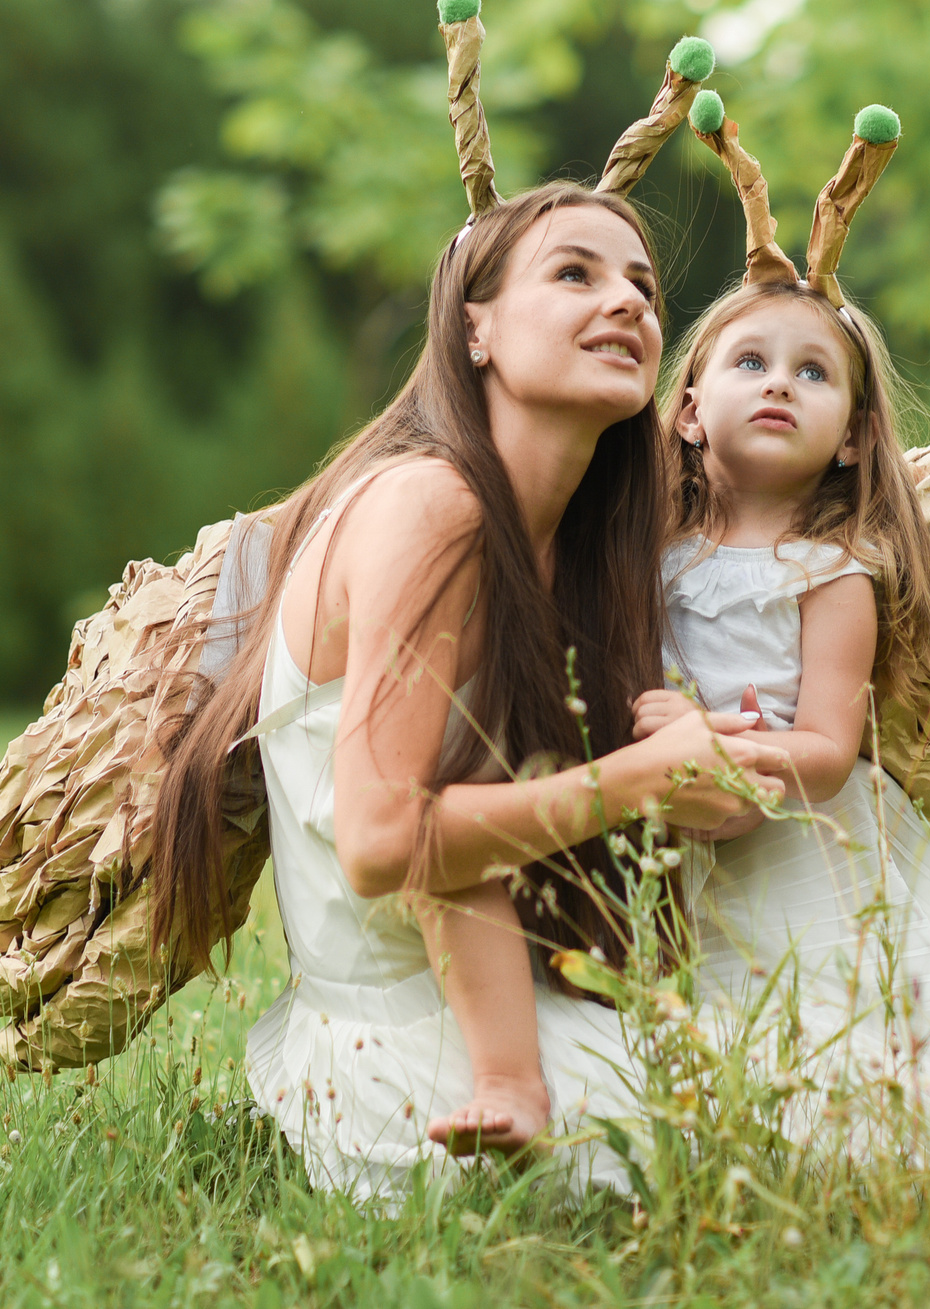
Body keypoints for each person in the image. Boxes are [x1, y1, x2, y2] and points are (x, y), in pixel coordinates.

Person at [150, 180, 791, 1204]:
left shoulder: (567, 548)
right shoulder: (432, 507)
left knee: (802, 1075)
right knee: (779, 1134)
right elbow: (380, 843)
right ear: (474, 328)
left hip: (471, 1020)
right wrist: (638, 780)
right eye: (574, 272)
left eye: (643, 286)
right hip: (404, 1063)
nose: (627, 301)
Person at [636, 264, 930, 1153]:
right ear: (690, 410)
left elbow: (828, 747)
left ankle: (853, 1155)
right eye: (750, 361)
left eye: (812, 371)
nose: (780, 382)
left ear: (855, 436)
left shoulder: (833, 571)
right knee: (697, 1011)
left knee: (817, 1012)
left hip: (802, 841)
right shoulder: (649, 550)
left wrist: (726, 751)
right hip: (671, 831)